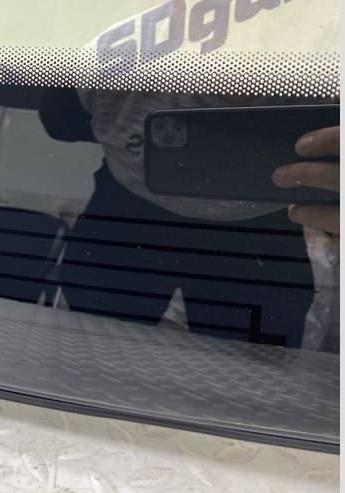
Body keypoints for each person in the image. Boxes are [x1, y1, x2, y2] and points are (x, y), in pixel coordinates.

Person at [40, 89, 338, 349]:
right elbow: (59, 119)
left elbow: (60, 121)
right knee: (251, 372)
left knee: (92, 351)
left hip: (139, 216)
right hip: (245, 226)